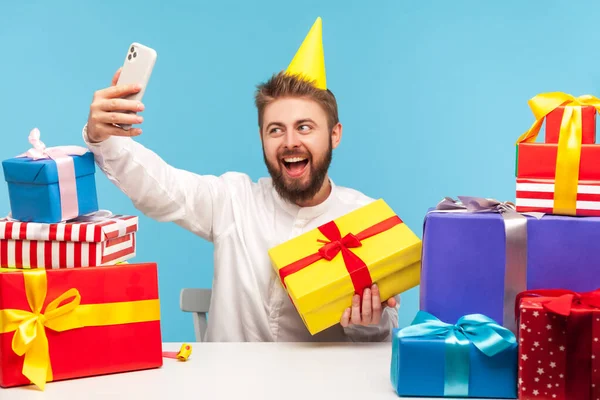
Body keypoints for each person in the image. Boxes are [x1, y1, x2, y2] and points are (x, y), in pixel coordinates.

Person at [82, 17, 399, 342]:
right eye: (275, 129)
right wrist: (104, 137)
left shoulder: (365, 219)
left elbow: (380, 344)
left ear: (335, 136)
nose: (290, 141)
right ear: (261, 137)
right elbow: (163, 188)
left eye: (304, 127)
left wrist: (368, 323)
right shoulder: (233, 200)